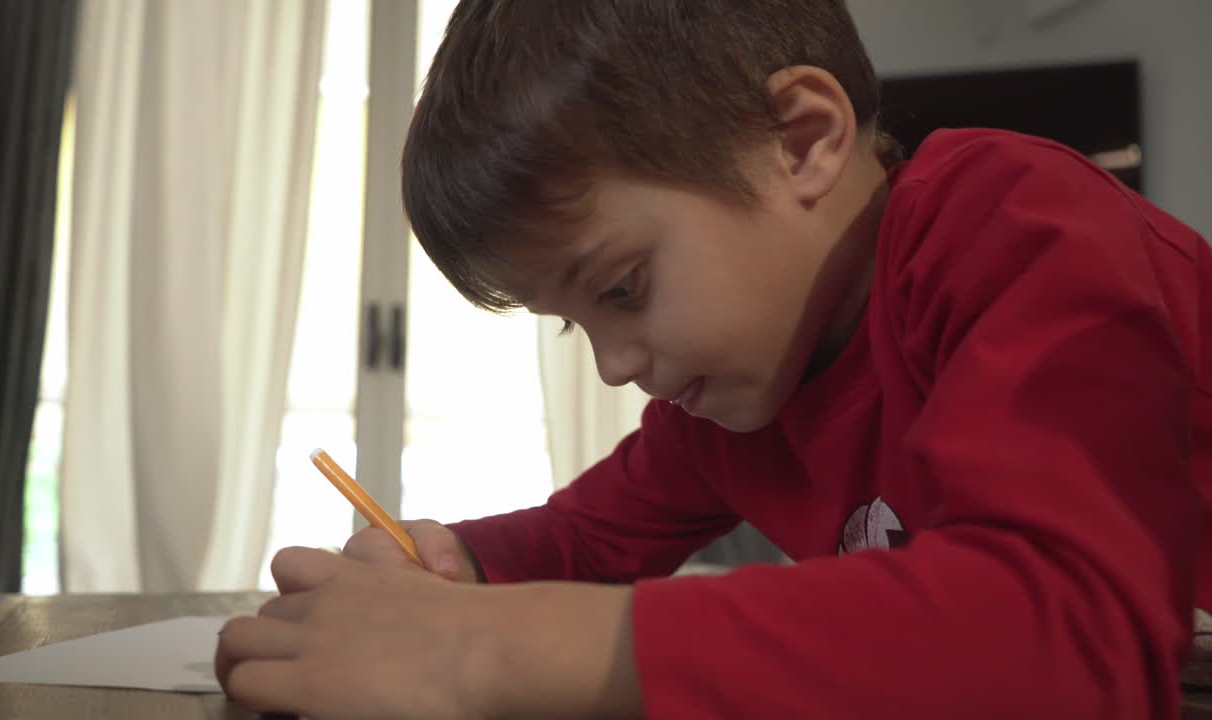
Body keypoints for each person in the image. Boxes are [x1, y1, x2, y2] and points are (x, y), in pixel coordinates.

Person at [214, 1, 1212, 717]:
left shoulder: (1019, 227)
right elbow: (583, 540)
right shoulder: (736, 404)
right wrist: (451, 565)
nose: (612, 367)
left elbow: (1067, 640)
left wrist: (471, 652)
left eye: (619, 288)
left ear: (800, 141)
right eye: (575, 325)